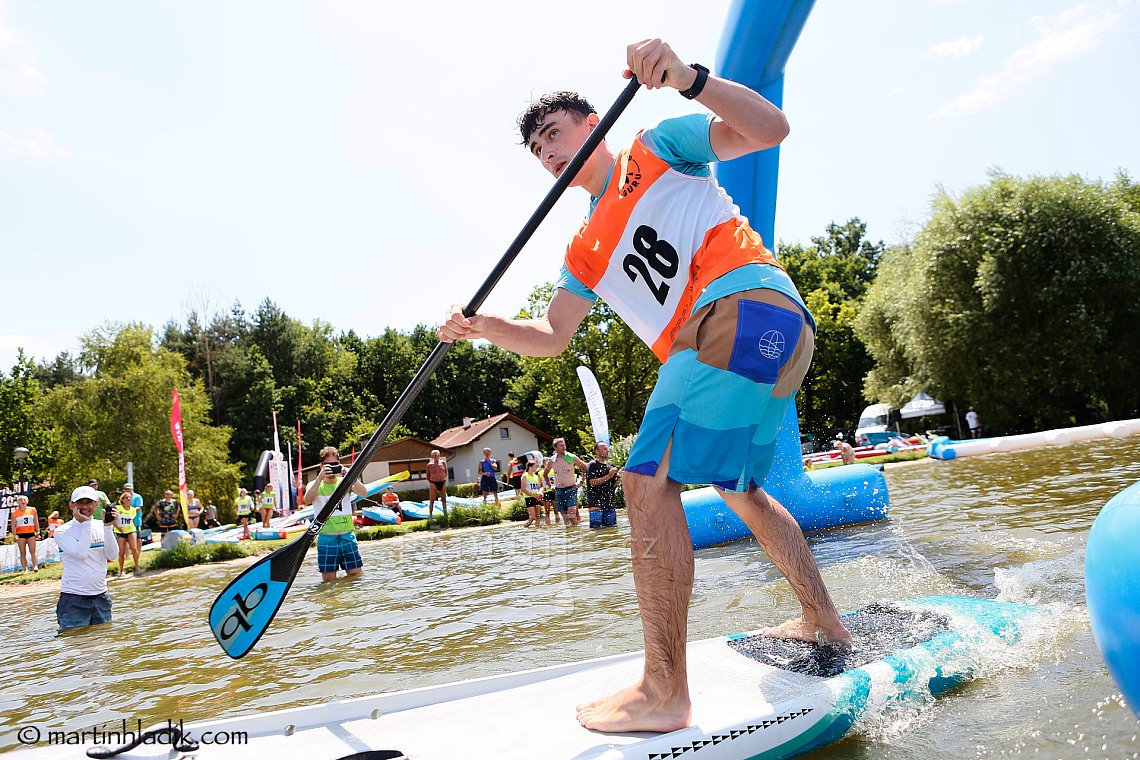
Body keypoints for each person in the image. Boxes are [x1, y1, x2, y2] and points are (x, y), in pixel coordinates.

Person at [440, 39, 851, 733]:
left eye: (553, 134)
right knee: (738, 487)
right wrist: (484, 328)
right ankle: (823, 621)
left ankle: (664, 689)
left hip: (737, 306)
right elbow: (553, 336)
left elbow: (770, 130)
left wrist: (689, 79)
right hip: (771, 335)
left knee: (642, 481)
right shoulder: (581, 248)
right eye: (536, 151)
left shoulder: (655, 144)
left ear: (592, 120)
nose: (546, 153)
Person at [54, 485, 118, 629]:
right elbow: (81, 554)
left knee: (103, 643)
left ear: (96, 505)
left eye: (88, 502)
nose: (84, 506)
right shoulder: (62, 531)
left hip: (101, 596)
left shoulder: (101, 526)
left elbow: (112, 555)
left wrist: (108, 527)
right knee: (74, 644)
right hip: (73, 598)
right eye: (80, 502)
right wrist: (86, 524)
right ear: (72, 505)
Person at [304, 446, 368, 582]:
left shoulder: (345, 482)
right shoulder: (314, 484)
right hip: (327, 538)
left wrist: (351, 476)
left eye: (335, 464)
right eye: (328, 465)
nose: (332, 468)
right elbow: (307, 499)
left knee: (356, 577)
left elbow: (364, 493)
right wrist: (319, 478)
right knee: (328, 581)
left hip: (347, 536)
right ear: (321, 466)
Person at [550, 438, 588, 527]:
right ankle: (569, 537)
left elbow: (586, 468)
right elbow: (545, 474)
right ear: (555, 448)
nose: (564, 447)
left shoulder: (571, 457)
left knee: (572, 517)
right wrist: (550, 485)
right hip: (559, 490)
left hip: (571, 488)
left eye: (564, 445)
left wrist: (581, 482)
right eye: (561, 446)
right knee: (566, 521)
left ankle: (577, 535)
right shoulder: (552, 460)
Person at [586, 442, 620, 529]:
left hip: (609, 504)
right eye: (604, 448)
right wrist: (609, 476)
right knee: (595, 531)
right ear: (597, 452)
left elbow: (614, 482)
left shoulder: (610, 465)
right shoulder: (592, 465)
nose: (607, 450)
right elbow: (592, 483)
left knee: (612, 530)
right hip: (595, 504)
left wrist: (619, 477)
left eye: (607, 448)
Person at [111, 491, 141, 576]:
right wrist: (118, 528)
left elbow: (131, 520)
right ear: (122, 499)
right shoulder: (118, 508)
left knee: (134, 549)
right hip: (120, 531)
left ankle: (136, 567)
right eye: (126, 497)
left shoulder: (133, 510)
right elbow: (112, 520)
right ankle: (121, 570)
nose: (129, 499)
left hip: (131, 530)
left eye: (130, 497)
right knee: (122, 552)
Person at [10, 495, 39, 572]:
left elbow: (36, 521)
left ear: (27, 501)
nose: (23, 501)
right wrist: (14, 534)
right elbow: (13, 525)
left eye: (24, 500)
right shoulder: (14, 513)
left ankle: (35, 566)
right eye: (21, 500)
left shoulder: (32, 510)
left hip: (31, 532)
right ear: (18, 502)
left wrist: (37, 531)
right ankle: (25, 569)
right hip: (20, 534)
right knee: (23, 552)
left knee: (33, 550)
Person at [519, 459, 545, 527]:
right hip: (529, 497)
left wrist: (540, 492)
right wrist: (532, 495)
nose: (536, 468)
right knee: (533, 517)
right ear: (530, 467)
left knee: (538, 516)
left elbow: (539, 487)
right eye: (535, 466)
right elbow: (523, 489)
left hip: (537, 497)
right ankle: (525, 527)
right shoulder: (525, 476)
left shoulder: (536, 476)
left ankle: (537, 529)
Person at [426, 449, 449, 518]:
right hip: (433, 483)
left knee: (444, 499)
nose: (436, 456)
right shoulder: (429, 465)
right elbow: (428, 476)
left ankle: (445, 515)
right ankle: (430, 516)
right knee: (432, 500)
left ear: (439, 455)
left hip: (442, 482)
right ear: (432, 456)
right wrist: (432, 482)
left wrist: (442, 479)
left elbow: (446, 473)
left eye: (437, 454)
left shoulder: (443, 463)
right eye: (434, 455)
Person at [540, 456, 558, 524]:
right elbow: (539, 484)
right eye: (546, 462)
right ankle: (548, 525)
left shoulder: (553, 470)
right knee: (547, 511)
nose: (548, 463)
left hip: (553, 490)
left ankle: (557, 524)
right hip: (546, 491)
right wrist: (541, 490)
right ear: (544, 463)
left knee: (556, 510)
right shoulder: (540, 473)